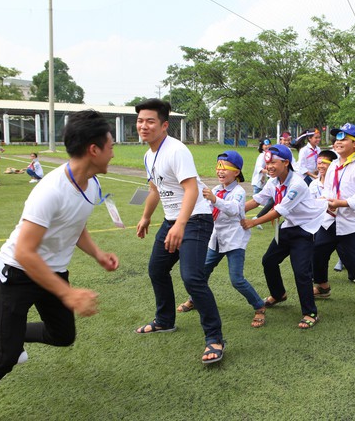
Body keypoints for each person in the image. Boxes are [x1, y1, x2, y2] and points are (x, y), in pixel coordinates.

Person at [0, 110, 120, 421]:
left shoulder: (92, 184)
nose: (113, 151)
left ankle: (4, 333)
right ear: (94, 150)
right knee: (4, 357)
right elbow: (25, 251)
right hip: (18, 273)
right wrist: (69, 294)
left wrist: (97, 254)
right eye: (111, 145)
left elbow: (74, 224)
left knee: (63, 336)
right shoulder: (50, 190)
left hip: (53, 273)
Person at [133, 98, 225, 365]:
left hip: (195, 219)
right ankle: (164, 320)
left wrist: (180, 225)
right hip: (172, 219)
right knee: (157, 269)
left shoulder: (177, 150)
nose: (144, 126)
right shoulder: (149, 154)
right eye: (140, 121)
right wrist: (145, 216)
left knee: (192, 278)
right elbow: (154, 190)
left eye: (150, 121)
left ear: (164, 125)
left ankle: (215, 338)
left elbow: (192, 189)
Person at [177, 151, 267, 328]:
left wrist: (214, 199)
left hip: (234, 241)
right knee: (201, 273)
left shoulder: (239, 192)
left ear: (236, 172)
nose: (220, 172)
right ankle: (194, 299)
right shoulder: (217, 190)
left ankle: (259, 306)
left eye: (225, 168)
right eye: (218, 168)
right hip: (215, 239)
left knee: (236, 279)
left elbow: (234, 209)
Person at [242, 144, 326, 329]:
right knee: (269, 261)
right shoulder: (273, 182)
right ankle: (279, 294)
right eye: (267, 163)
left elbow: (280, 210)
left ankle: (310, 312)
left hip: (305, 229)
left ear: (286, 162)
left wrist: (253, 222)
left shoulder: (297, 183)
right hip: (289, 226)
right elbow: (257, 200)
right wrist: (234, 209)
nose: (269, 166)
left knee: (301, 271)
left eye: (273, 162)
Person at [312, 123, 355, 322]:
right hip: (330, 221)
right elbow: (328, 190)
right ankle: (323, 287)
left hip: (352, 225)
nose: (338, 142)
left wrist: (342, 203)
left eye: (343, 138)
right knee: (317, 251)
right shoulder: (334, 165)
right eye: (336, 139)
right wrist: (326, 202)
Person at [249, 138, 273, 229]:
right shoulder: (262, 156)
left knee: (266, 200)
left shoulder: (269, 155)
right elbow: (259, 168)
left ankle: (260, 217)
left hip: (263, 182)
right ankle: (257, 218)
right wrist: (269, 171)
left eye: (268, 144)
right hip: (258, 182)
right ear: (261, 146)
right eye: (265, 145)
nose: (267, 146)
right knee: (256, 201)